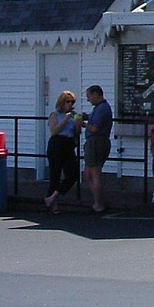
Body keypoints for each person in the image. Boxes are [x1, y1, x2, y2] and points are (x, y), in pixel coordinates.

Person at [44, 90, 80, 214]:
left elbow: (76, 133)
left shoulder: (73, 115)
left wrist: (78, 124)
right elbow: (54, 131)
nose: (70, 104)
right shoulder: (55, 114)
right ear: (62, 102)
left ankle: (52, 197)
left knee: (72, 174)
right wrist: (65, 119)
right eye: (67, 101)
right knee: (55, 175)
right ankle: (53, 204)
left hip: (68, 144)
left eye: (72, 102)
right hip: (57, 144)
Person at [82, 85, 112, 214]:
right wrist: (85, 116)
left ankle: (98, 203)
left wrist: (82, 124)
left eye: (89, 96)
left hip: (97, 141)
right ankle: (97, 200)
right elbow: (93, 119)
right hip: (95, 142)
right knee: (88, 173)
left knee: (94, 172)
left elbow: (95, 128)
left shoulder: (102, 109)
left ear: (96, 94)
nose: (88, 100)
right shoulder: (99, 108)